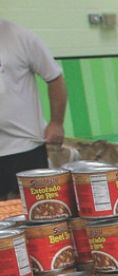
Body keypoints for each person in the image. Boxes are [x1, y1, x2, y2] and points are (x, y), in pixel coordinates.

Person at [0, 18, 67, 200]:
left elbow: (54, 78)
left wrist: (56, 122)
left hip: (24, 147)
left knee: (35, 214)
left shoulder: (20, 36)